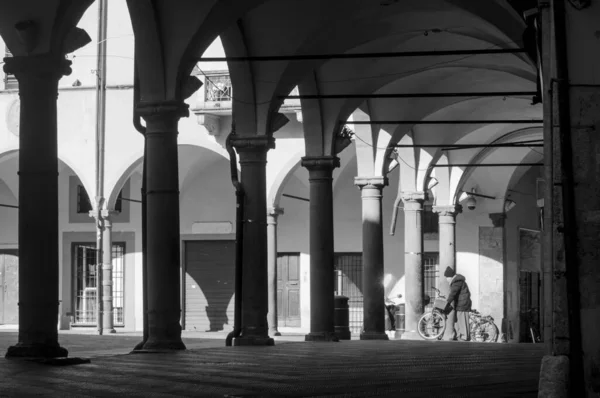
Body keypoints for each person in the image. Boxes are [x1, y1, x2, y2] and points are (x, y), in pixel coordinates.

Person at [443, 266, 472, 341]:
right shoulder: (456, 281)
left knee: (462, 320)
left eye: (447, 277)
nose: (446, 279)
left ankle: (464, 336)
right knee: (457, 320)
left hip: (463, 303)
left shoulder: (457, 282)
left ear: (450, 276)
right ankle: (459, 335)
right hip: (461, 303)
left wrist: (447, 302)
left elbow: (453, 293)